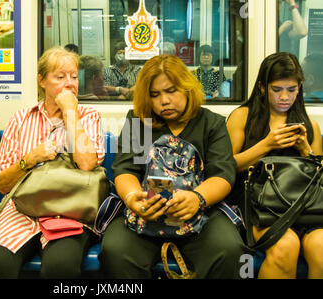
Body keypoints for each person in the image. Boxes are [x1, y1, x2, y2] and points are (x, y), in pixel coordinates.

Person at [99, 54, 246, 279]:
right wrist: (131, 198)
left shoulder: (211, 124)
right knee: (116, 251)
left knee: (228, 249)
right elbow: (125, 169)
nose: (164, 101)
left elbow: (222, 175)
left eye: (171, 91)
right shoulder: (140, 122)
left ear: (187, 88)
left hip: (201, 214)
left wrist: (198, 198)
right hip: (145, 214)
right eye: (155, 95)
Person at [0, 47, 105, 279]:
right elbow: (2, 184)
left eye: (74, 77)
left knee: (61, 266)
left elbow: (87, 164)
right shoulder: (21, 119)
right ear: (42, 81)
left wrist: (70, 112)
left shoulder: (89, 116)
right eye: (60, 77)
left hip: (71, 208)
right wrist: (30, 159)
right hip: (21, 210)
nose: (70, 83)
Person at [226, 52, 323, 279]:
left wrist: (305, 150)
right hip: (260, 207)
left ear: (299, 88)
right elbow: (225, 168)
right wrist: (267, 144)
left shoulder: (310, 125)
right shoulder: (243, 116)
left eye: (292, 90)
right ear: (262, 87)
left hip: (303, 207)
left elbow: (319, 177)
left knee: (321, 247)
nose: (285, 97)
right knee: (285, 246)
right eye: (277, 90)